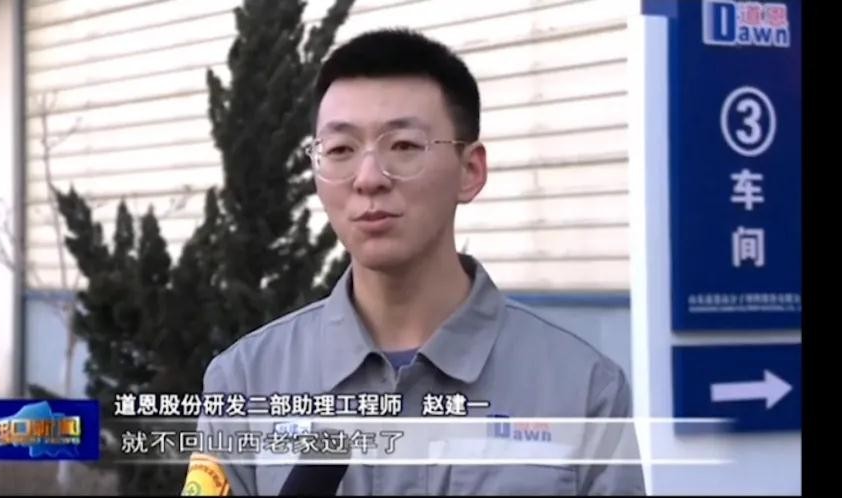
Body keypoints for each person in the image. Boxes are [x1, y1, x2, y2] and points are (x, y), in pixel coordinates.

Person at [182, 28, 645, 495]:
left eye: (403, 146)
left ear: (470, 171)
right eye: (340, 150)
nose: (368, 178)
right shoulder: (245, 382)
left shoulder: (583, 390)